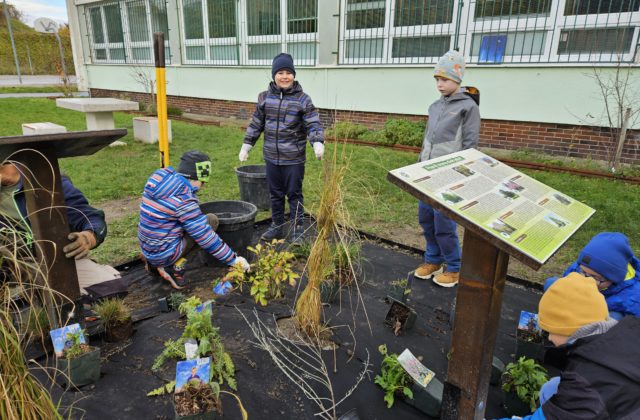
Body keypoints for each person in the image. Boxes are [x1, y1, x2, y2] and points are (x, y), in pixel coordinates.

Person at [497, 272, 640, 419]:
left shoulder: (584, 386)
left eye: (550, 330)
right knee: (552, 387)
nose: (550, 338)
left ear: (567, 329)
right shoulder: (629, 328)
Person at [0, 162, 126, 300]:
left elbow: (89, 218)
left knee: (110, 290)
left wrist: (87, 238)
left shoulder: (48, 181)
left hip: (53, 260)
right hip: (10, 264)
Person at [239, 53, 324, 243]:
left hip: (293, 158)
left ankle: (297, 229)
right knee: (275, 194)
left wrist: (317, 141)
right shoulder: (264, 98)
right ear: (273, 75)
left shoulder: (303, 100)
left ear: (293, 75)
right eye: (280, 72)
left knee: (294, 194)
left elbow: (313, 123)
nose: (284, 76)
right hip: (271, 157)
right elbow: (256, 124)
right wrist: (247, 145)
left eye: (288, 72)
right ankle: (277, 226)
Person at [414, 50, 480, 287]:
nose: (440, 84)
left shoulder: (467, 107)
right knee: (426, 219)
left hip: (448, 177)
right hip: (427, 175)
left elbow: (470, 144)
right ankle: (433, 260)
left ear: (458, 79)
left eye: (445, 79)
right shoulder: (434, 106)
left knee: (444, 223)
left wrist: (463, 174)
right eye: (437, 80)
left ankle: (454, 267)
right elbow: (427, 140)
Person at [138, 150, 250, 289]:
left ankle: (153, 264)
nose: (203, 187)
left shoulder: (158, 178)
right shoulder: (183, 200)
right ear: (195, 178)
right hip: (164, 253)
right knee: (210, 221)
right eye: (203, 182)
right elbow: (205, 236)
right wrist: (234, 259)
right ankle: (172, 267)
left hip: (148, 247)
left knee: (188, 222)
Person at [544, 232, 640, 319]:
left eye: (595, 277)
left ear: (614, 280)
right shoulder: (581, 267)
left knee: (613, 318)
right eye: (583, 272)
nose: (585, 279)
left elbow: (634, 327)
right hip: (580, 303)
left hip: (599, 317)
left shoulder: (632, 297)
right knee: (551, 284)